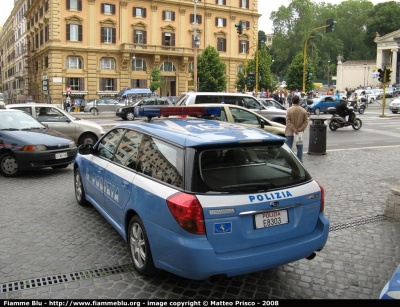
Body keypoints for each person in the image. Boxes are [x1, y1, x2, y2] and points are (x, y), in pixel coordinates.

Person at [285, 95, 309, 163]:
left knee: (288, 147)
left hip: (289, 131)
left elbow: (288, 121)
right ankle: (300, 161)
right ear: (299, 101)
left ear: (292, 101)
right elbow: (306, 122)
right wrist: (300, 129)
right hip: (299, 132)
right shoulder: (303, 111)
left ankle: (286, 162)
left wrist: (293, 129)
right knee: (299, 147)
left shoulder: (289, 110)